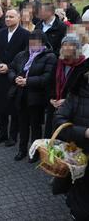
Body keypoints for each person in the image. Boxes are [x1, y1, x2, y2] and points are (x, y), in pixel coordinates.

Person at [8, 30, 57, 161]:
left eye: (36, 43)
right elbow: (11, 68)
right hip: (21, 95)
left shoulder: (50, 57)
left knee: (35, 126)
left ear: (43, 43)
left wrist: (27, 81)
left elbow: (47, 78)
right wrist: (15, 78)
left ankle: (34, 152)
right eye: (31, 43)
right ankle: (22, 150)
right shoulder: (22, 54)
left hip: (37, 97)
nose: (33, 45)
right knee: (22, 125)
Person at [53, 73, 89, 221]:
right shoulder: (77, 93)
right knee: (80, 205)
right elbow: (59, 121)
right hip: (77, 154)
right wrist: (84, 132)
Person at [0, 9, 30, 147]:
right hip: (0, 75)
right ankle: (2, 134)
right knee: (0, 106)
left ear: (18, 18)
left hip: (14, 75)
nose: (7, 19)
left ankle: (13, 136)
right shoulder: (0, 33)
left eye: (11, 17)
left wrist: (9, 67)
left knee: (14, 108)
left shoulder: (26, 35)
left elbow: (26, 57)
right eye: (6, 16)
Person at [46, 35, 89, 141]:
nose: (66, 47)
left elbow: (81, 89)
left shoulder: (83, 65)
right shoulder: (59, 62)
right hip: (54, 104)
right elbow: (50, 82)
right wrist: (52, 98)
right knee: (51, 132)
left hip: (72, 108)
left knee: (66, 138)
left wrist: (66, 101)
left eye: (70, 45)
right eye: (64, 45)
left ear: (77, 48)